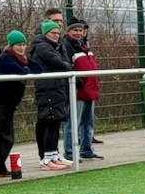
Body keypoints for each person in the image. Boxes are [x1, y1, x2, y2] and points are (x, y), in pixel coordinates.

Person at [0, 30, 30, 178]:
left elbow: (33, 68)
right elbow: (21, 71)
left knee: (7, 136)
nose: (22, 48)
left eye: (23, 44)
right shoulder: (6, 58)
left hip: (9, 104)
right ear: (11, 46)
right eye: (18, 45)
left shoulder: (23, 59)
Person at [29, 20, 72, 169]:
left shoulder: (57, 46)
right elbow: (60, 64)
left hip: (57, 88)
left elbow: (65, 62)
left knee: (55, 122)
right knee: (50, 122)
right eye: (53, 33)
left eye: (58, 33)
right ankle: (47, 158)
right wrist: (65, 66)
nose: (56, 36)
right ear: (46, 33)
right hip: (48, 89)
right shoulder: (42, 47)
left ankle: (53, 155)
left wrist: (64, 65)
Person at [59, 18, 102, 161]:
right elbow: (66, 66)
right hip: (77, 91)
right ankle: (70, 153)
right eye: (75, 30)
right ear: (68, 31)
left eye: (80, 30)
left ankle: (87, 149)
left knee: (87, 123)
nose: (78, 33)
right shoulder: (65, 46)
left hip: (89, 90)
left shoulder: (84, 45)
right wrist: (78, 83)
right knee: (72, 123)